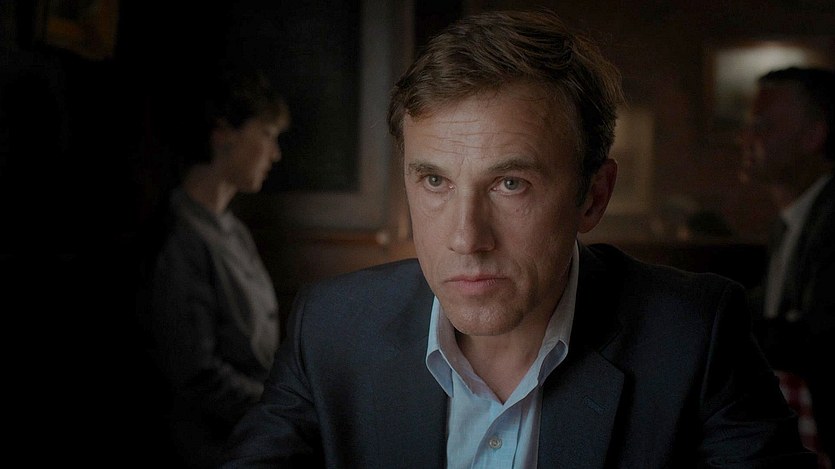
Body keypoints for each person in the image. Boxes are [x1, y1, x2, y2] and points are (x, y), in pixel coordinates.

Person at [222, 10, 815, 468]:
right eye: (435, 181)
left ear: (593, 196)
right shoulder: (331, 328)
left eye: (511, 183)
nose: (466, 238)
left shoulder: (693, 337)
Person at [141, 65, 290, 468]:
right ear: (224, 134)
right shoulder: (180, 238)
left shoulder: (232, 230)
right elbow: (195, 374)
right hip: (208, 447)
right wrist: (279, 410)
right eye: (267, 134)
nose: (275, 153)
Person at [740, 66, 835, 464]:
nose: (746, 139)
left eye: (762, 126)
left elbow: (815, 341)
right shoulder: (789, 222)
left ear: (814, 137)